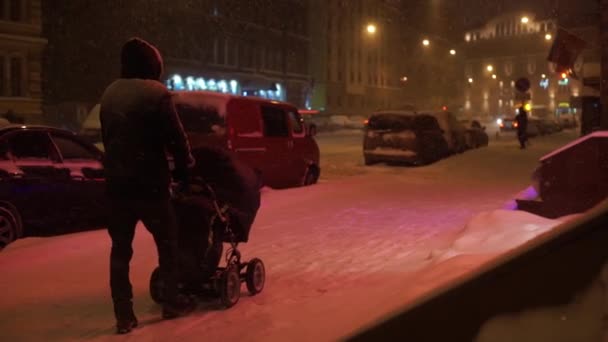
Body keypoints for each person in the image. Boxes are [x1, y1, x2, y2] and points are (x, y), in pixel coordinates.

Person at [100, 37, 196, 334]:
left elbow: (111, 140)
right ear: (152, 64)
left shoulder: (110, 95)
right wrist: (185, 170)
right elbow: (176, 140)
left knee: (120, 251)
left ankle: (124, 314)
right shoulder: (156, 94)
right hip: (150, 186)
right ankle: (170, 301)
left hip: (117, 188)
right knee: (168, 244)